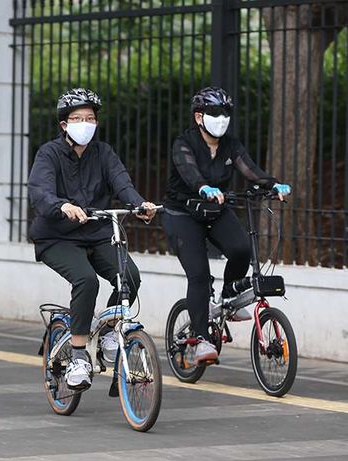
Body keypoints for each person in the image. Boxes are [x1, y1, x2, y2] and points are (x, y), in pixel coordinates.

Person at [28, 88, 157, 391]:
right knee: (87, 280)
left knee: (129, 276)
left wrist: (139, 204)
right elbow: (40, 190)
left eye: (90, 118)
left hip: (96, 232)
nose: (84, 123)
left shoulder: (104, 153)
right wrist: (62, 205)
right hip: (57, 236)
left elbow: (121, 182)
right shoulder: (49, 153)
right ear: (64, 125)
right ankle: (77, 356)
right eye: (77, 118)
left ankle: (110, 332)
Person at [162, 86, 291, 365]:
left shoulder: (231, 145)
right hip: (182, 214)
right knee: (198, 275)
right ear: (199, 117)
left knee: (242, 248)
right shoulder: (184, 143)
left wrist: (272, 185)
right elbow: (188, 171)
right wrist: (204, 187)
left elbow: (250, 170)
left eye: (225, 113)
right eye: (214, 113)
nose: (221, 118)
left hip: (215, 210)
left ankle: (229, 296)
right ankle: (201, 340)